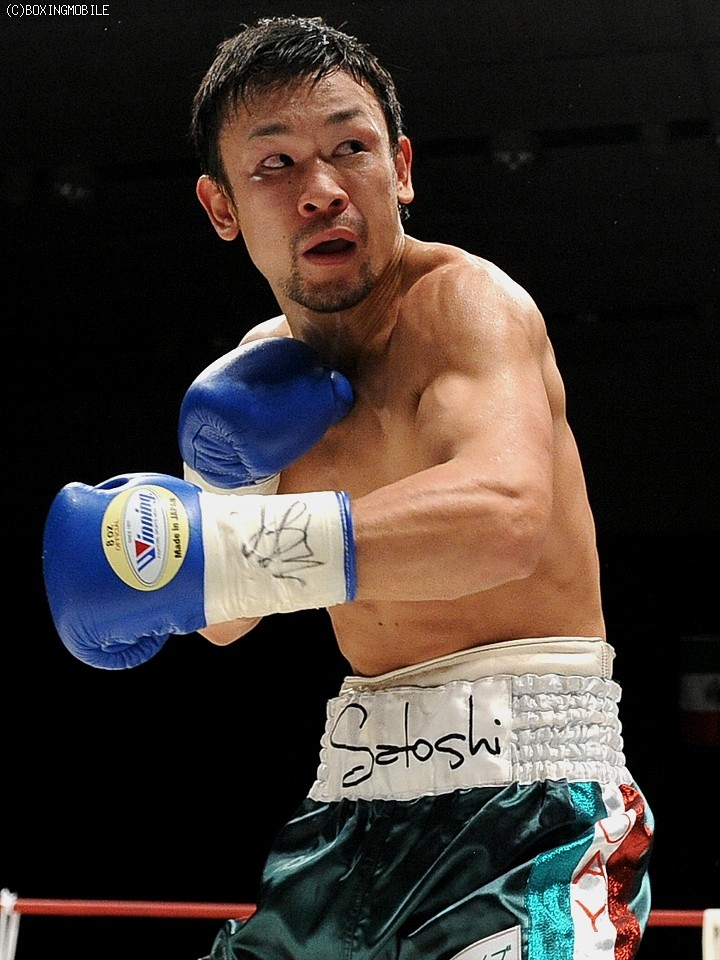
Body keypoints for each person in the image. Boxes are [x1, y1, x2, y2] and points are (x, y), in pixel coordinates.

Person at [42, 14, 654, 960]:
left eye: (350, 148)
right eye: (276, 164)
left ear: (400, 168)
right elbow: (226, 618)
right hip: (349, 810)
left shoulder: (466, 307)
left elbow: (504, 519)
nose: (322, 189)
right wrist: (178, 542)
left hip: (533, 802)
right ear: (222, 207)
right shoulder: (255, 379)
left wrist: (220, 552)